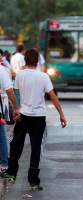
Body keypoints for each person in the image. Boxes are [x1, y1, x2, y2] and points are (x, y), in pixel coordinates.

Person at [2, 48, 67, 191]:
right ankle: (33, 181)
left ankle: (12, 174)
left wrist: (18, 108)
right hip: (39, 119)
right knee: (37, 149)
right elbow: (53, 96)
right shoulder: (44, 76)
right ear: (38, 60)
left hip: (23, 116)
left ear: (25, 61)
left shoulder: (20, 75)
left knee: (15, 145)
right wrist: (61, 114)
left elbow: (19, 92)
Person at [0, 60, 20, 174]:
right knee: (2, 136)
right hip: (3, 104)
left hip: (3, 105)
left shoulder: (4, 69)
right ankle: (5, 164)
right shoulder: (3, 70)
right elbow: (9, 90)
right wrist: (16, 108)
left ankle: (4, 164)